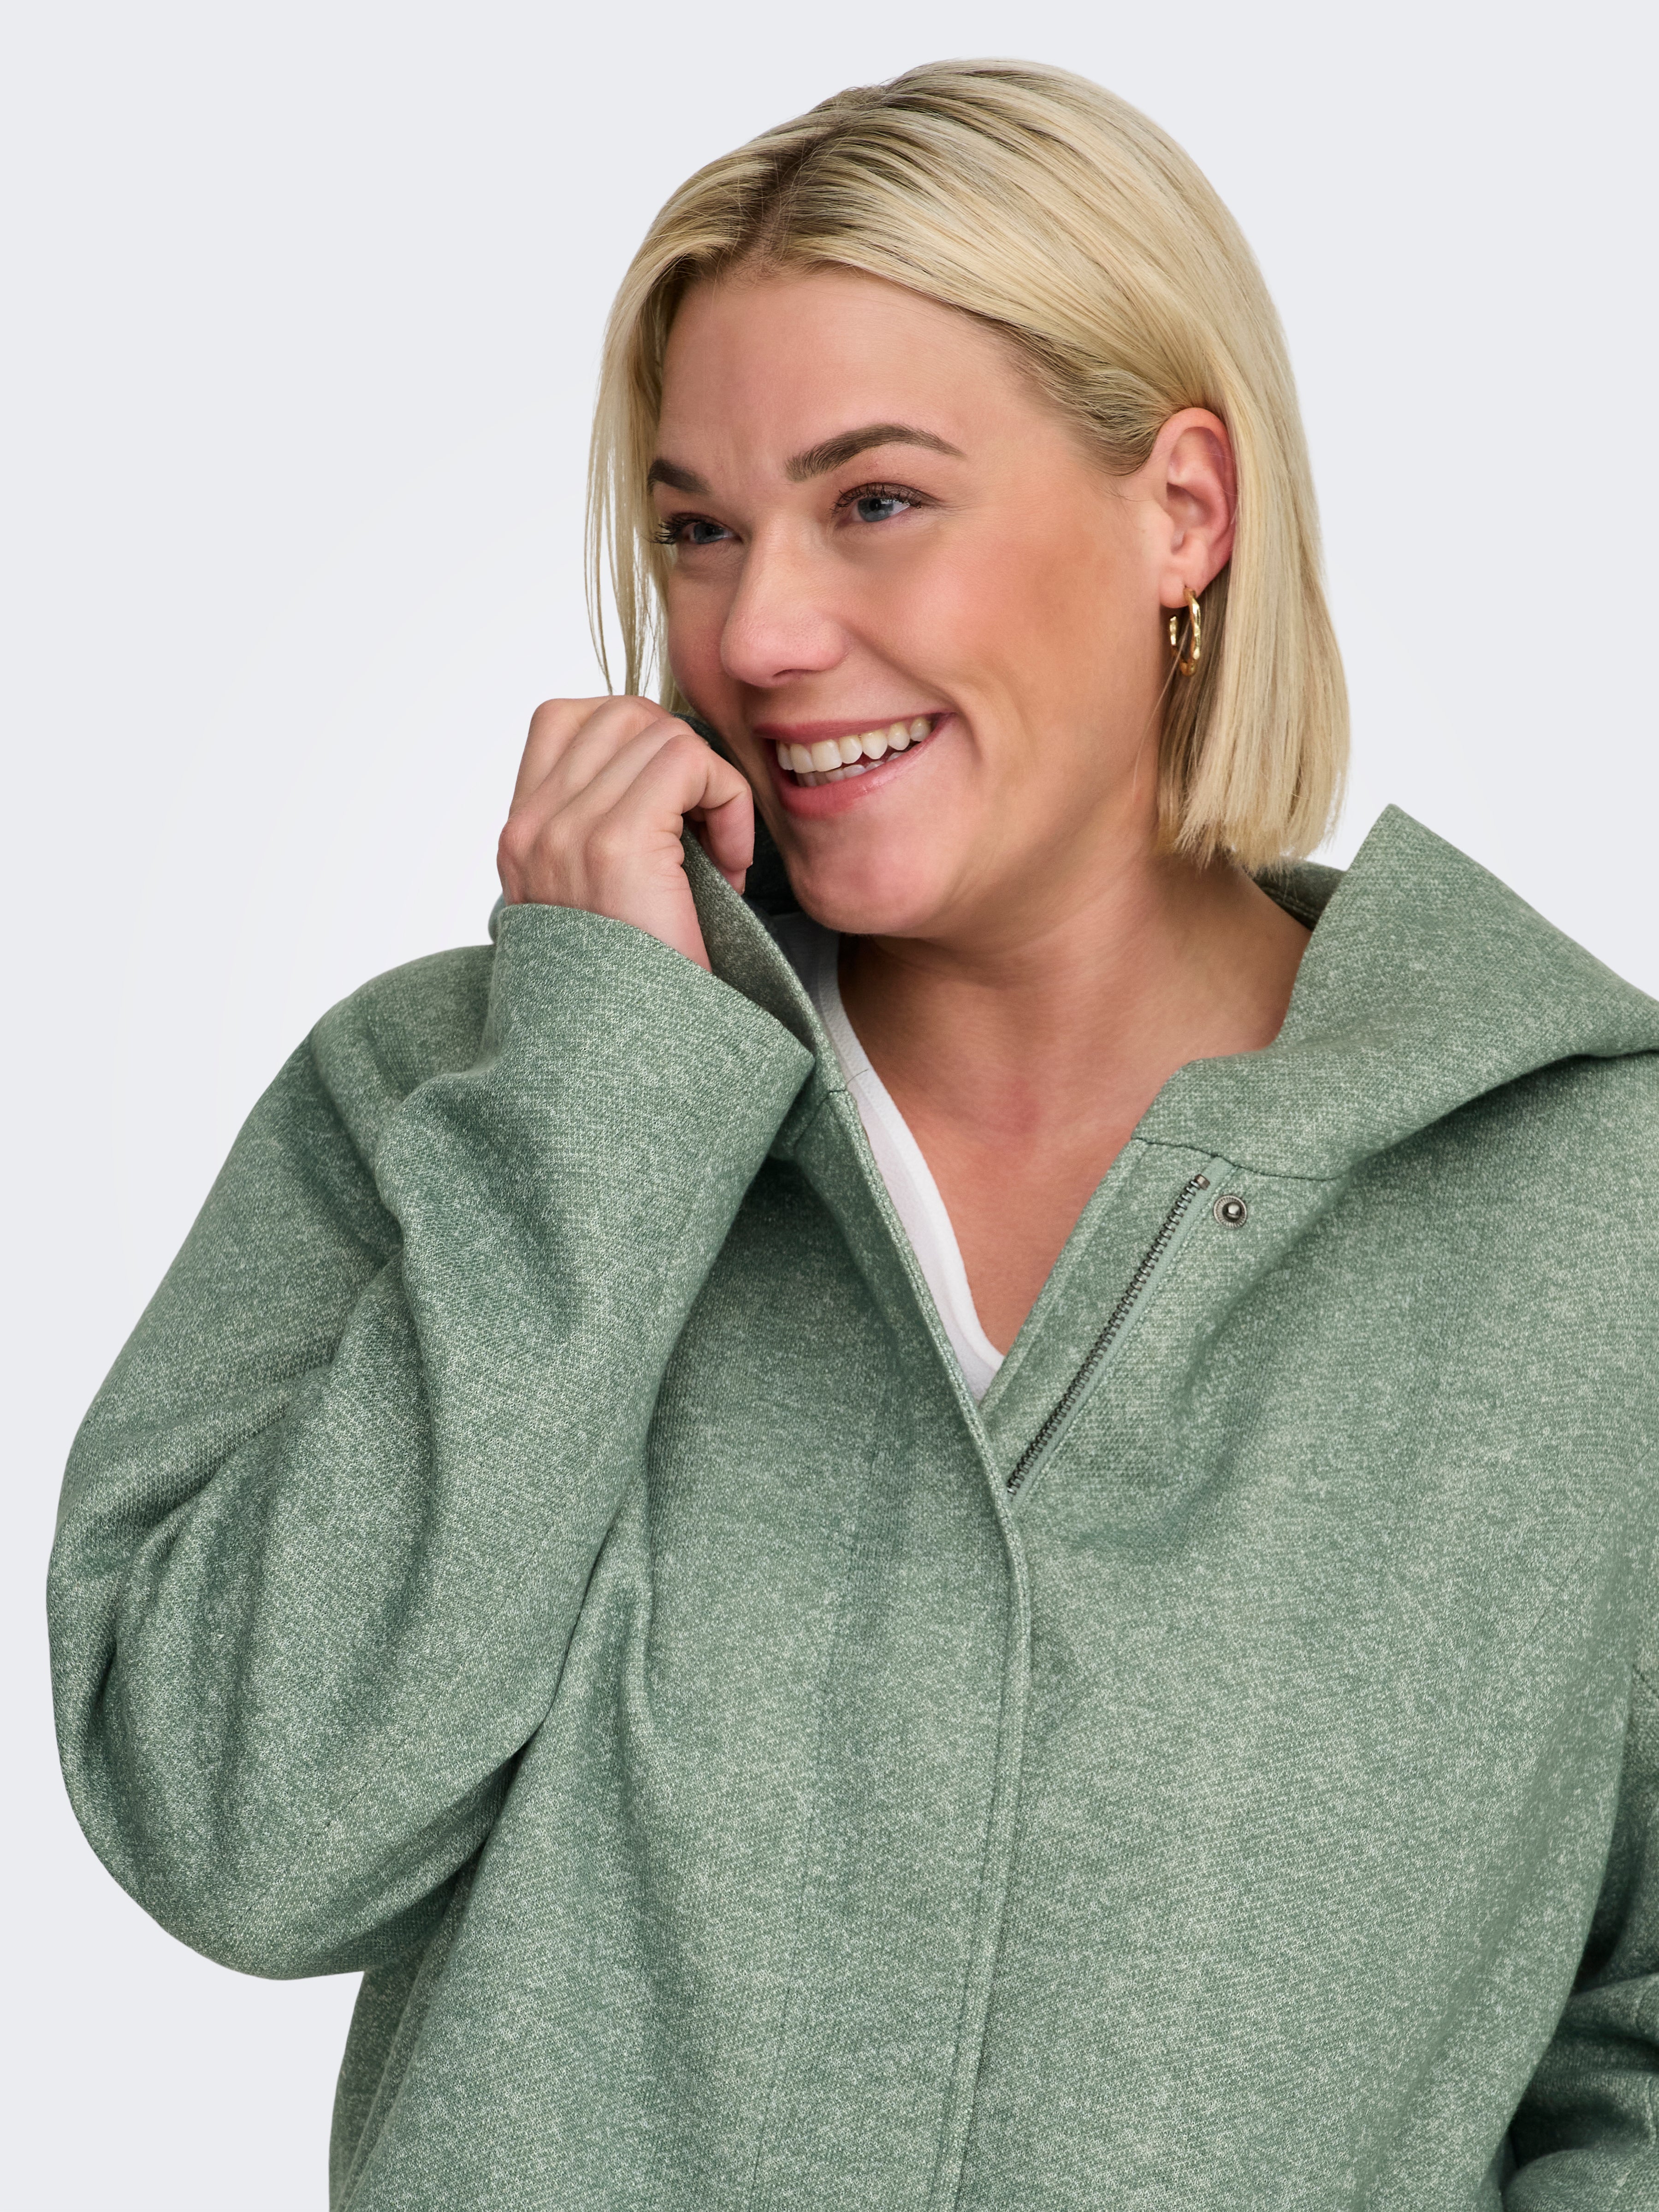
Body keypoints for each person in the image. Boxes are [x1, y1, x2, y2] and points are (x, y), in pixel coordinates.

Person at [47, 59, 1659, 2211]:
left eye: (876, 501)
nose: (759, 635)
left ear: (1183, 511)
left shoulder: (1599, 1209)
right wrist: (596, 1121)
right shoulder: (457, 1101)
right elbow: (239, 1841)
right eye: (698, 528)